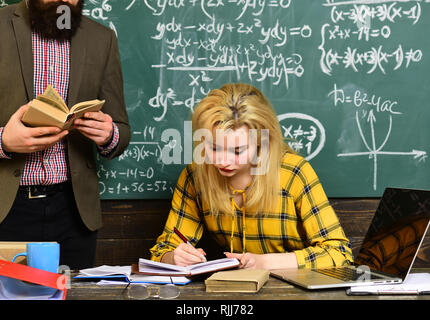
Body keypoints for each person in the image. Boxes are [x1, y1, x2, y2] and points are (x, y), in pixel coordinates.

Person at [150, 83, 353, 270]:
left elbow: (339, 253)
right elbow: (163, 250)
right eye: (213, 148)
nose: (223, 161)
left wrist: (265, 262)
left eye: (237, 151)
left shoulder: (293, 173)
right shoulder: (195, 176)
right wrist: (173, 257)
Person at [0, 0, 130, 269]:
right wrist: (3, 142)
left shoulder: (102, 39)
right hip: (7, 209)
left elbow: (121, 129)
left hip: (74, 211)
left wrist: (108, 135)